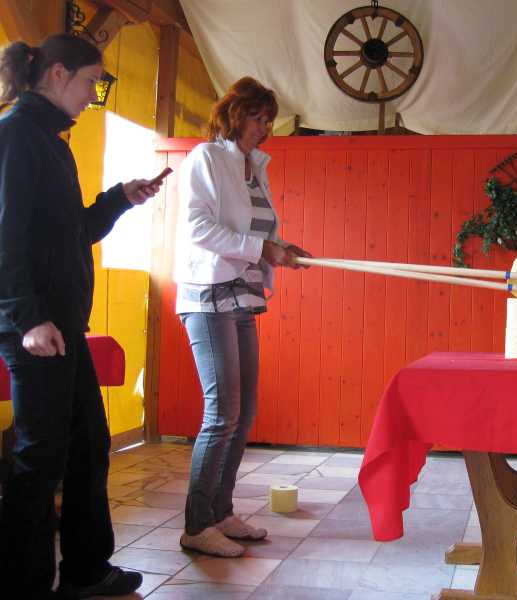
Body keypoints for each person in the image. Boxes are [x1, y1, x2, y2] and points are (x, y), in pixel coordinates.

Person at [0, 34, 162, 598]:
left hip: (63, 327)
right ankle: (21, 585)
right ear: (58, 73)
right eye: (92, 81)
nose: (94, 93)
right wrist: (27, 318)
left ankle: (87, 571)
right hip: (35, 330)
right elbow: (4, 238)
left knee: (88, 445)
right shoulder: (16, 136)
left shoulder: (52, 142)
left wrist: (119, 198)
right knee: (39, 460)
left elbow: (75, 233)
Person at [173, 76, 310, 557]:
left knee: (243, 412)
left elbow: (255, 231)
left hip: (243, 297)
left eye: (269, 119)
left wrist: (282, 249)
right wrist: (263, 249)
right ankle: (196, 525)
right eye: (257, 117)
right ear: (234, 114)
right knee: (222, 414)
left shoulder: (255, 167)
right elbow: (198, 228)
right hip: (208, 296)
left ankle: (220, 512)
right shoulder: (206, 158)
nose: (265, 127)